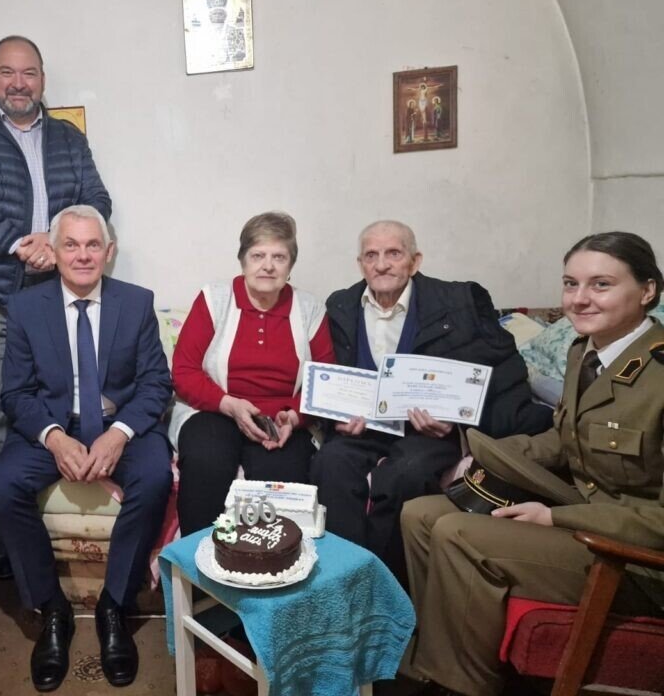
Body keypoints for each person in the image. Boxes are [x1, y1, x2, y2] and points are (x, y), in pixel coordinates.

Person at [400, 231, 664, 696]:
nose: (579, 299)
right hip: (584, 510)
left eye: (601, 284)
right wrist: (497, 455)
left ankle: (463, 685)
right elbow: (567, 441)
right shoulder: (586, 351)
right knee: (419, 514)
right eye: (570, 284)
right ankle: (432, 661)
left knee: (458, 532)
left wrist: (554, 518)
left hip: (632, 555)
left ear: (647, 290)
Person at [0, 35, 112, 576]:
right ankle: (3, 527)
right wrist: (18, 243)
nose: (18, 83)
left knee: (52, 405)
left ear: (42, 80)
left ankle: (48, 515)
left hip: (53, 298)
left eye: (29, 73)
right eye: (7, 72)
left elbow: (96, 201)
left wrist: (56, 241)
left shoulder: (67, 137)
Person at [0, 205, 172, 691]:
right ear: (54, 252)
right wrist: (53, 437)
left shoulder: (136, 303)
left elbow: (156, 383)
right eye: (71, 245)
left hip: (118, 422)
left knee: (154, 476)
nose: (83, 255)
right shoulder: (26, 307)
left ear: (109, 252)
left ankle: (115, 604)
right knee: (1, 485)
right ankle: (52, 609)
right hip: (55, 423)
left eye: (93, 245)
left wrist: (119, 433)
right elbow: (15, 393)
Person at [311, 220, 551, 579]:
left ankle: (387, 585)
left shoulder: (460, 302)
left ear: (415, 261)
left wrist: (456, 421)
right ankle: (344, 579)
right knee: (329, 463)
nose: (381, 264)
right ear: (360, 264)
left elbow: (501, 372)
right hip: (366, 427)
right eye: (371, 256)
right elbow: (331, 373)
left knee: (405, 474)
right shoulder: (341, 305)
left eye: (394, 253)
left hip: (429, 432)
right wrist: (337, 417)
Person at [170, 211, 334, 535]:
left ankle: (267, 564)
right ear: (243, 260)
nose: (268, 266)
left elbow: (325, 381)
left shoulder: (310, 308)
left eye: (279, 257)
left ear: (291, 265)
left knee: (283, 481)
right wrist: (229, 404)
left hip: (281, 420)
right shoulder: (214, 298)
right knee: (206, 461)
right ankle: (200, 559)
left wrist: (295, 417)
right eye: (258, 255)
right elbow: (184, 371)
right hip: (216, 409)